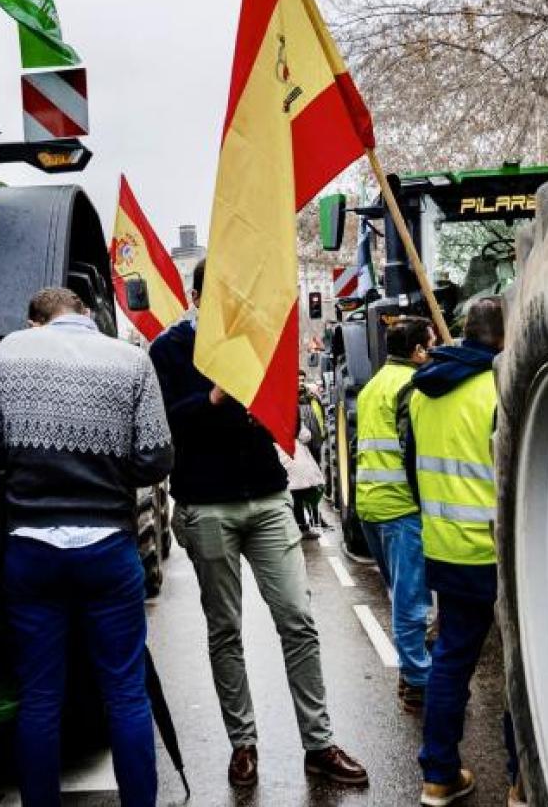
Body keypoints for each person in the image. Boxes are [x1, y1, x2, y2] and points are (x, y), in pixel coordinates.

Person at [149, 260, 368, 789]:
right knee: (225, 630)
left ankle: (318, 744)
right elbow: (163, 420)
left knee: (297, 617)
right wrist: (212, 399)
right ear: (195, 295)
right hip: (207, 504)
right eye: (219, 296)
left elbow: (285, 416)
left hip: (268, 497)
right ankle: (242, 744)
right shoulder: (169, 350)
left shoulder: (256, 341)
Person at [0, 287, 175, 807]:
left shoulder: (11, 352)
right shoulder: (130, 361)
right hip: (107, 546)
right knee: (126, 693)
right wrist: (108, 469)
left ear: (34, 321)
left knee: (39, 698)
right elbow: (156, 459)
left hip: (32, 549)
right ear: (86, 314)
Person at [400, 296, 506, 806]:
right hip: (497, 550)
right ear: (505, 339)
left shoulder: (422, 392)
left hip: (445, 547)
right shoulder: (500, 387)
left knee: (451, 660)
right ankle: (522, 780)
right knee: (520, 667)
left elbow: (415, 468)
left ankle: (439, 774)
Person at [352, 315, 436, 709]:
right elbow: (413, 452)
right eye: (430, 344)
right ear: (417, 351)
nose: (433, 350)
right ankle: (419, 681)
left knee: (400, 595)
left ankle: (411, 670)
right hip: (401, 507)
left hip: (371, 506)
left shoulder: (371, 388)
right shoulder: (410, 386)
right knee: (411, 601)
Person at [288, 376, 328, 537]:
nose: (300, 382)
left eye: (302, 379)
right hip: (298, 454)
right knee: (302, 491)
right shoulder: (296, 406)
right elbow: (304, 434)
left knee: (295, 492)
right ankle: (306, 524)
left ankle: (305, 523)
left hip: (299, 452)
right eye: (297, 379)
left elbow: (320, 419)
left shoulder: (312, 399)